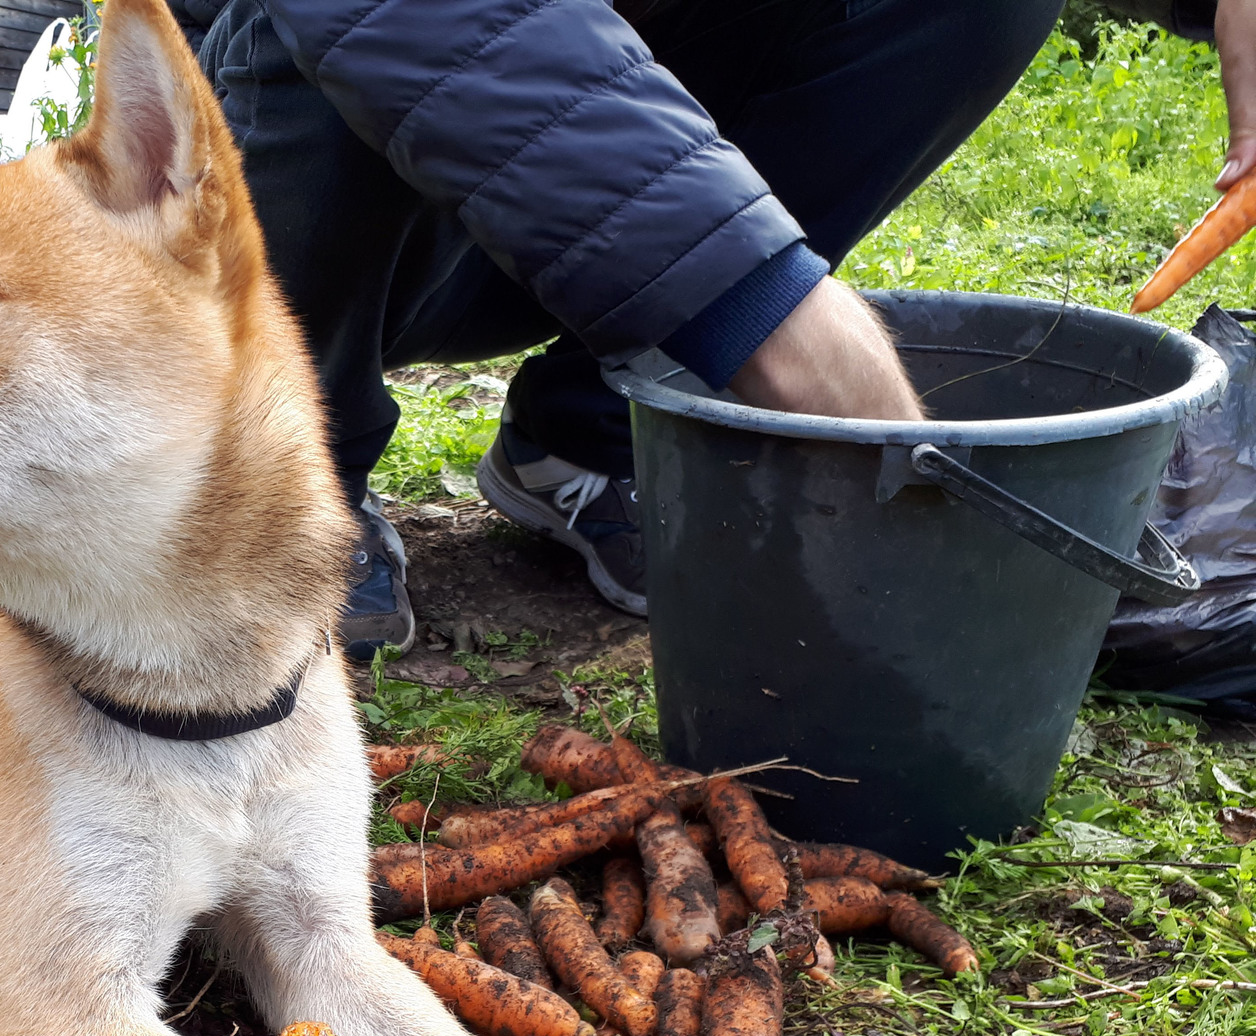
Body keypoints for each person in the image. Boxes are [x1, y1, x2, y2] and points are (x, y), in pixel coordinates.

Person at [179, 0, 1255, 658]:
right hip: (286, 195)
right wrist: (755, 302)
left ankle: (597, 435)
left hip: (565, 220)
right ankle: (297, 469)